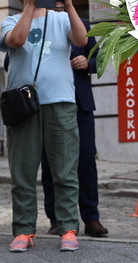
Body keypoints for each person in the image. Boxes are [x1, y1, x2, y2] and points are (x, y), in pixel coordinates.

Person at [0, 0, 89, 253]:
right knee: (23, 173)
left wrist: (70, 5)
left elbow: (82, 40)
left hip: (60, 101)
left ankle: (68, 228)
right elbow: (17, 40)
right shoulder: (10, 20)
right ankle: (23, 230)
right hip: (24, 106)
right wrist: (29, 6)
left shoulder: (62, 18)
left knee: (65, 171)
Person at [41, 18, 107, 238]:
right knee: (51, 162)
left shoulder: (81, 24)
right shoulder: (37, 23)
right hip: (49, 101)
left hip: (80, 103)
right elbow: (11, 61)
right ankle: (56, 219)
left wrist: (88, 63)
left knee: (86, 159)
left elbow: (100, 59)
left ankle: (91, 218)